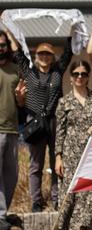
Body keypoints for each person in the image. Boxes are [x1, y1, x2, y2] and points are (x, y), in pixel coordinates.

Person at [6, 29, 74, 212]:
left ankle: (57, 198)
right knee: (36, 164)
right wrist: (8, 31)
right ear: (36, 56)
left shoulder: (58, 71)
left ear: (52, 57)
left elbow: (69, 52)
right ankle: (36, 201)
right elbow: (17, 53)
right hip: (34, 121)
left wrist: (72, 32)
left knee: (57, 162)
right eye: (41, 53)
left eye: (48, 54)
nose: (44, 57)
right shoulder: (29, 72)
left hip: (55, 121)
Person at [54, 61, 92, 229]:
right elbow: (60, 132)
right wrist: (58, 157)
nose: (80, 77)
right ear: (71, 77)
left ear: (88, 76)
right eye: (76, 74)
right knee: (71, 193)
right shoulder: (64, 102)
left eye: (83, 74)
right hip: (70, 154)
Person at [0, 31, 21, 229]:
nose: (0, 47)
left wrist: (20, 96)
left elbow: (22, 102)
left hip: (13, 130)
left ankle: (2, 214)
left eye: (3, 44)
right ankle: (0, 216)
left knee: (11, 175)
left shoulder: (16, 70)